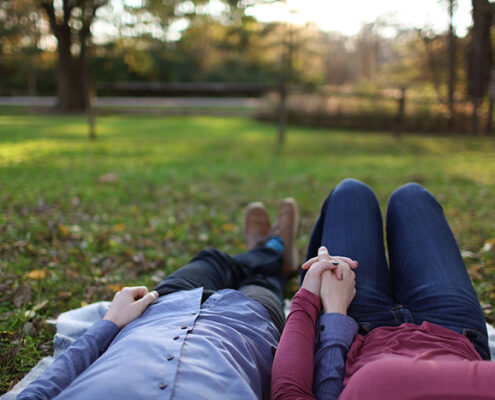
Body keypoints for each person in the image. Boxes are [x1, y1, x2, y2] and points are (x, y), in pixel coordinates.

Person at [18, 198, 299, 400]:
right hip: (246, 332)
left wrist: (111, 322)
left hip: (160, 311)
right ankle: (274, 251)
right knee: (264, 282)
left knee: (212, 259)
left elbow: (48, 384)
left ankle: (269, 250)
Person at [272, 179, 494, 400]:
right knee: (412, 198)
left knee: (351, 193)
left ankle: (280, 253)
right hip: (454, 334)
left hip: (352, 331)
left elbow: (290, 392)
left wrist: (313, 297)